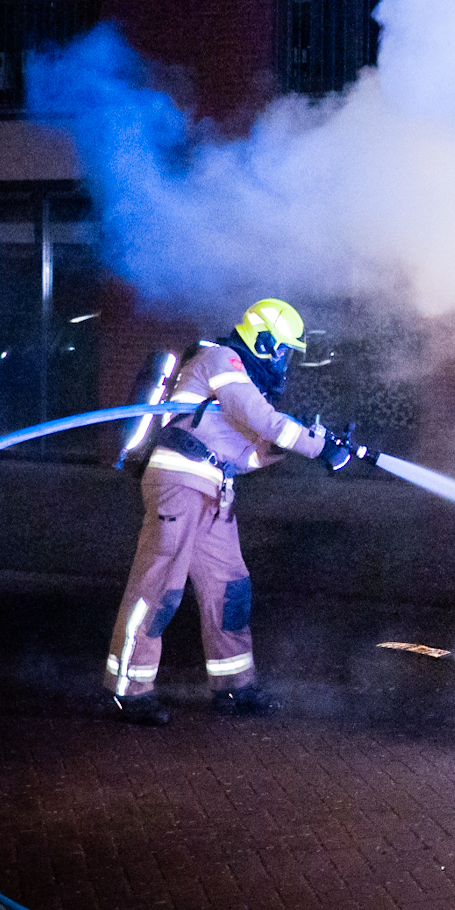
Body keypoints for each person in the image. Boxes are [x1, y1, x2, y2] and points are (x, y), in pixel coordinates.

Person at [103, 298, 348, 724]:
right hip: (178, 485)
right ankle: (128, 689)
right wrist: (318, 447)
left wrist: (301, 444)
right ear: (262, 339)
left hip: (216, 493)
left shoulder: (244, 383)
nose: (283, 360)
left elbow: (247, 456)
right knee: (160, 587)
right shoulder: (222, 360)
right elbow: (262, 418)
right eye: (281, 349)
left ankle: (235, 686)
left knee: (230, 589)